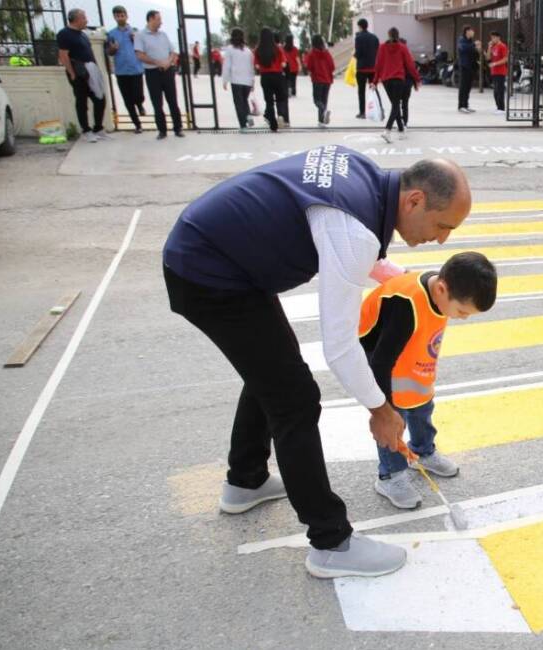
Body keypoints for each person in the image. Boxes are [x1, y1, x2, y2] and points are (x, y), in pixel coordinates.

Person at [162, 152, 473, 578]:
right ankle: (331, 543)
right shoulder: (355, 229)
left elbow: (352, 249)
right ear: (415, 201)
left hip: (220, 254)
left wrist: (407, 277)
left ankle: (245, 481)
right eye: (443, 227)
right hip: (209, 273)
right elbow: (341, 346)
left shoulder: (369, 181)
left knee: (272, 370)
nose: (441, 241)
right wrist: (381, 410)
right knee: (295, 400)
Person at [361, 253, 497, 509]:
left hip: (414, 359)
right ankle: (391, 475)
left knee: (422, 404)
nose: (463, 317)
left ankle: (423, 451)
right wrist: (384, 409)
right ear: (442, 288)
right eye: (462, 312)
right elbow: (381, 362)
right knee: (395, 420)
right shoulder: (405, 305)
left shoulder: (442, 294)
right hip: (381, 361)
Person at [57, 8, 110, 143]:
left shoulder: (83, 34)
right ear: (76, 19)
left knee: (100, 99)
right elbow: (63, 55)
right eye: (84, 18)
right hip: (79, 73)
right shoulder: (64, 34)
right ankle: (86, 131)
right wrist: (72, 73)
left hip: (91, 72)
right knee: (82, 102)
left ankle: (98, 128)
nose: (86, 20)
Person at [134, 10, 183, 139]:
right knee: (157, 103)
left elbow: (173, 52)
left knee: (173, 101)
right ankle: (162, 130)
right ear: (151, 19)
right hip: (152, 73)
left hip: (168, 71)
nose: (161, 22)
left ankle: (178, 128)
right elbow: (139, 55)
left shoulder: (163, 35)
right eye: (158, 19)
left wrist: (168, 61)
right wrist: (157, 62)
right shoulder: (140, 35)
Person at [372, 27, 419, 143]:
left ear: (388, 35)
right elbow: (410, 65)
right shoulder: (402, 48)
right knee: (396, 106)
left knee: (395, 105)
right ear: (398, 35)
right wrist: (416, 79)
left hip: (386, 80)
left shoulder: (382, 47)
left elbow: (378, 64)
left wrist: (375, 81)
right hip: (398, 79)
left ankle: (401, 130)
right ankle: (387, 130)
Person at [105, 6, 146, 134]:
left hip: (136, 69)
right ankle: (137, 124)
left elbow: (143, 48)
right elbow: (109, 52)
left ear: (126, 16)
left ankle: (139, 104)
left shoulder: (135, 31)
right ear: (114, 17)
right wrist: (113, 48)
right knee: (127, 99)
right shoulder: (111, 34)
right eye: (117, 15)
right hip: (121, 71)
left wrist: (135, 40)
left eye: (122, 15)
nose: (120, 17)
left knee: (138, 95)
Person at [221, 28, 255, 132]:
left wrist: (225, 80)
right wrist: (252, 81)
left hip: (236, 80)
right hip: (247, 81)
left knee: (239, 103)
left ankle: (243, 125)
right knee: (244, 101)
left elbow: (227, 66)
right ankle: (248, 116)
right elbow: (251, 66)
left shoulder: (230, 49)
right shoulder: (247, 50)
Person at [254, 29, 288, 131]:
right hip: (277, 76)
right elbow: (284, 64)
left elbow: (256, 66)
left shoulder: (258, 49)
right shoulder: (278, 48)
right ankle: (281, 115)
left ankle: (273, 125)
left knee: (269, 101)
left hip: (265, 77)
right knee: (280, 99)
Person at [304, 34, 335, 127]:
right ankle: (321, 121)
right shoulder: (327, 53)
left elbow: (308, 66)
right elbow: (332, 67)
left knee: (317, 100)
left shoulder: (312, 53)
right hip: (327, 80)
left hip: (317, 80)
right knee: (324, 100)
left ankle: (324, 112)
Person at [353, 18, 379, 119]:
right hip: (373, 68)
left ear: (360, 26)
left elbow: (358, 53)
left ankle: (362, 112)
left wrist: (354, 55)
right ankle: (379, 109)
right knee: (374, 89)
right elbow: (377, 52)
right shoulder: (374, 37)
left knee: (361, 91)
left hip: (362, 68)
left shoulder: (358, 38)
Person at [456, 25, 480, 113]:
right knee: (463, 87)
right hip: (464, 67)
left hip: (471, 67)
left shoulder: (470, 41)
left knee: (468, 87)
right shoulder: (462, 39)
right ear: (467, 31)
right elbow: (464, 48)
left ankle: (466, 105)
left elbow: (473, 52)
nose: (473, 32)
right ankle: (461, 106)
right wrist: (474, 45)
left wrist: (478, 50)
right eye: (471, 31)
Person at [486, 31, 508, 113]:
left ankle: (501, 108)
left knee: (499, 90)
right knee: (495, 91)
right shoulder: (493, 47)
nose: (492, 39)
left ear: (498, 37)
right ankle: (498, 107)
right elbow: (488, 58)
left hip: (500, 71)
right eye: (491, 38)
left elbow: (506, 59)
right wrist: (489, 47)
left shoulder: (502, 46)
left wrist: (495, 63)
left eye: (493, 37)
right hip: (494, 72)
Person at [398, 37, 417, 127]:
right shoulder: (409, 55)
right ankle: (404, 122)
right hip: (407, 82)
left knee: (396, 104)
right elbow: (412, 70)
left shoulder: (396, 55)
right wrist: (415, 82)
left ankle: (400, 122)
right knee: (405, 103)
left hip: (398, 82)